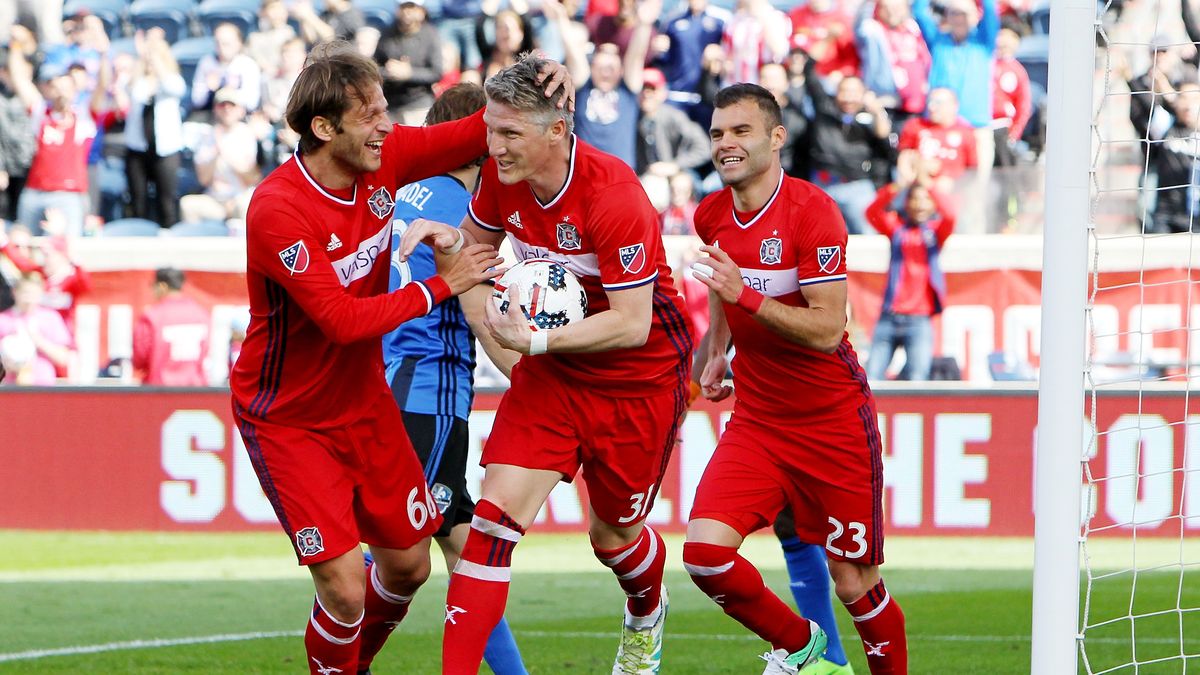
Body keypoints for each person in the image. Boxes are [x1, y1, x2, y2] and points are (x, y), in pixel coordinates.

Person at [228, 41, 570, 675]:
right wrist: (443, 283)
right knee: (345, 589)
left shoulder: (386, 160)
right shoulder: (278, 209)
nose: (387, 126)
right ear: (323, 128)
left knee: (409, 565)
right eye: (369, 115)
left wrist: (536, 79)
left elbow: (477, 125)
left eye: (387, 109)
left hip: (364, 403)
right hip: (290, 418)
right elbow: (339, 321)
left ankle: (350, 664)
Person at [396, 53, 693, 675]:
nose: (493, 147)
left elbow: (632, 323)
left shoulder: (614, 195)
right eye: (490, 131)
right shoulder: (500, 182)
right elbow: (474, 253)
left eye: (509, 133)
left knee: (613, 538)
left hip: (638, 377)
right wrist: (456, 251)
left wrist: (531, 344)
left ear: (556, 130)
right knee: (490, 527)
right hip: (554, 376)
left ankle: (645, 613)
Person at [684, 83, 907, 674]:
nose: (725, 144)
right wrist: (716, 352)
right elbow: (725, 294)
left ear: (776, 138)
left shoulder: (813, 212)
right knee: (705, 555)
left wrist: (744, 297)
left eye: (740, 131)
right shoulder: (710, 214)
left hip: (832, 421)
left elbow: (828, 329)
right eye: (717, 133)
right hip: (759, 420)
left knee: (854, 581)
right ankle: (801, 646)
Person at [382, 82, 528, 675]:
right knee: (399, 550)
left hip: (393, 372)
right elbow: (476, 310)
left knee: (464, 546)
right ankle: (342, 659)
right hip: (430, 384)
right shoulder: (459, 210)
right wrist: (544, 389)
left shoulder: (403, 196)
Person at [864, 171, 954, 381]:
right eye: (915, 198)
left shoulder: (934, 233)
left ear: (933, 204)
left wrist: (928, 185)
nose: (920, 204)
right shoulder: (897, 230)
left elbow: (950, 214)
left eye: (925, 199)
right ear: (906, 203)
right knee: (871, 379)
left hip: (919, 319)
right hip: (889, 316)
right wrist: (897, 186)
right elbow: (871, 212)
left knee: (918, 380)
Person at [132, 268, 211, 386]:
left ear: (162, 286)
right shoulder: (201, 314)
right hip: (195, 390)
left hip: (159, 390)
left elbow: (140, 357)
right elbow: (205, 350)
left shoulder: (152, 316)